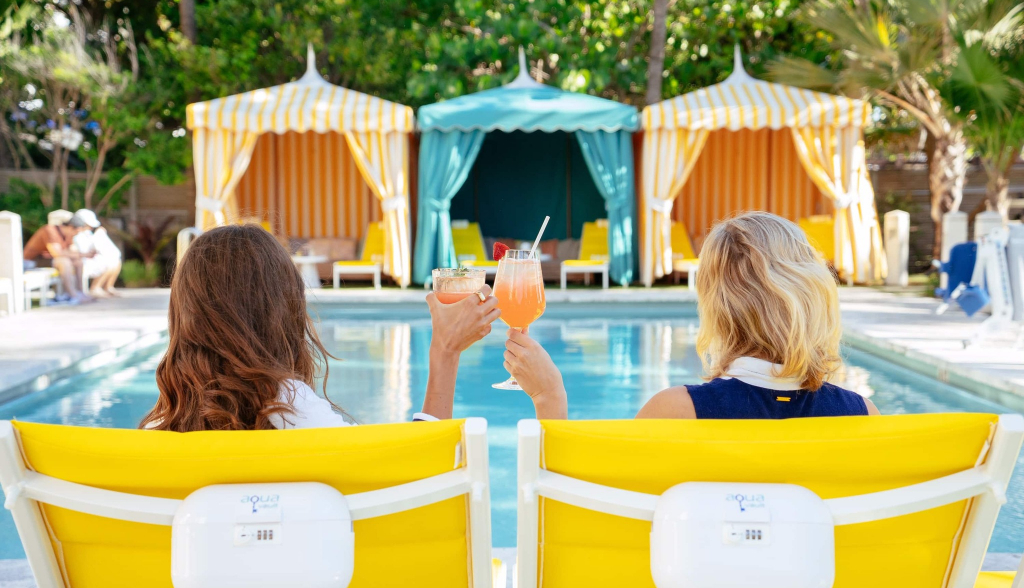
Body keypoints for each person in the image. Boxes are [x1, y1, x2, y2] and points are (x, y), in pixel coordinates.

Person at [504, 212, 878, 420]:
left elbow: (583, 505)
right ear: (814, 296)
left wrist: (548, 395)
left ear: (715, 307)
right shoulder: (863, 415)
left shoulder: (676, 412)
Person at [140, 224, 500, 431]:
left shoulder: (160, 430)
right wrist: (445, 352)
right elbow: (417, 475)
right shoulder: (290, 410)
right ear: (282, 309)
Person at [23, 211, 95, 305]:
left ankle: (80, 292)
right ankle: (72, 296)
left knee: (78, 261)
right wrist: (82, 254)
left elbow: (72, 252)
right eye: (76, 232)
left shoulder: (68, 235)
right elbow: (57, 253)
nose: (76, 235)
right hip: (32, 261)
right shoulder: (50, 230)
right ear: (70, 227)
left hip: (49, 260)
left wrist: (83, 255)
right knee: (64, 262)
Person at [72, 209, 123, 297]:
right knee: (110, 263)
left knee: (116, 261)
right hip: (83, 262)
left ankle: (108, 287)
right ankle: (95, 288)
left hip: (91, 260)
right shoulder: (75, 235)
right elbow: (83, 251)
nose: (91, 227)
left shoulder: (87, 233)